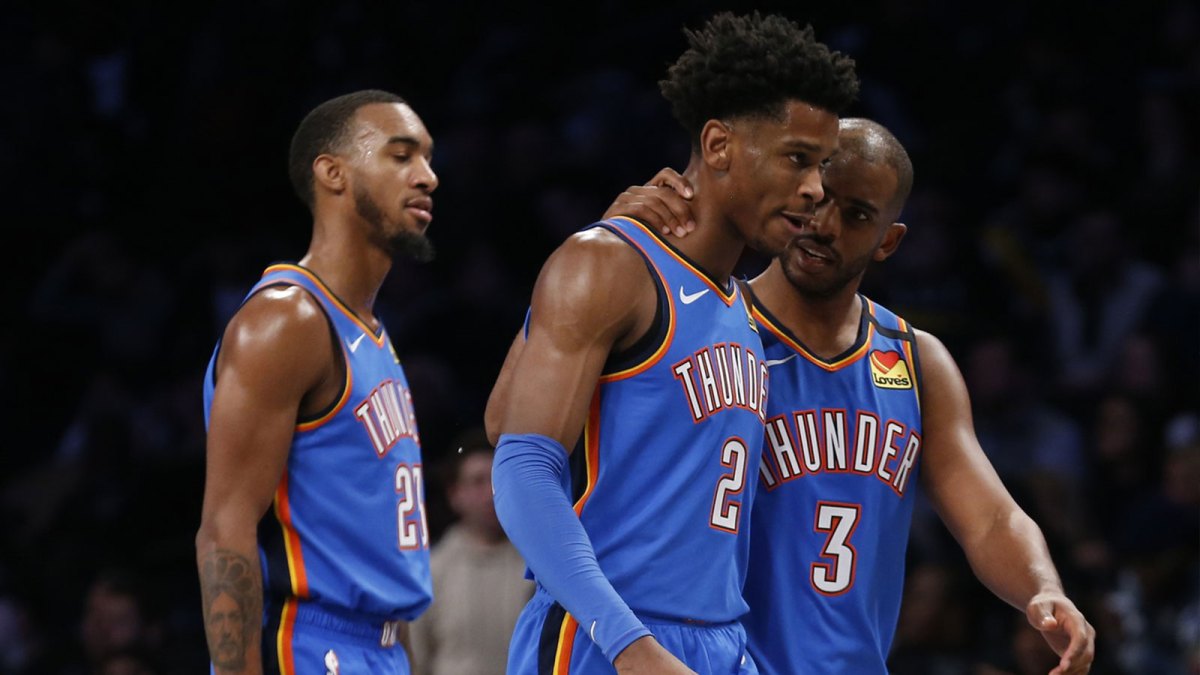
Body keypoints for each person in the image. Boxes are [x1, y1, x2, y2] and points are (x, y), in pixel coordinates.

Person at [608, 118, 1096, 674]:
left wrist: (1043, 589)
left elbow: (989, 518)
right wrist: (616, 249)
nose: (824, 225)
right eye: (818, 199)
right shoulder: (705, 326)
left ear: (889, 240)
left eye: (858, 215)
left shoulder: (918, 362)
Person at [484, 11, 859, 675]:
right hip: (602, 637)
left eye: (822, 166)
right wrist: (630, 644)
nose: (814, 189)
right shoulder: (613, 264)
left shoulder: (741, 305)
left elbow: (497, 416)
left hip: (717, 640)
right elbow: (518, 461)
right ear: (717, 146)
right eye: (797, 159)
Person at [196, 89, 438, 674]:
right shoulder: (288, 321)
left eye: (429, 158)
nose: (427, 176)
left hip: (379, 647)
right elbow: (225, 528)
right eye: (401, 156)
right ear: (332, 173)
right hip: (308, 645)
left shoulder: (369, 329)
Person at [408, 429, 534, 675]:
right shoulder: (432, 571)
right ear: (454, 494)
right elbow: (414, 661)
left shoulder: (537, 568)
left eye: (496, 480)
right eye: (477, 482)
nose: (490, 493)